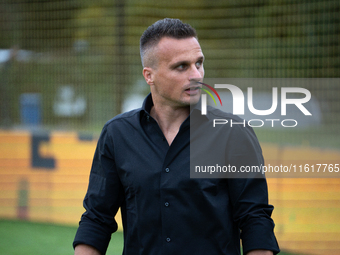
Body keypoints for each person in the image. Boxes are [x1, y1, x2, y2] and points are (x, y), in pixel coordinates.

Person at [73, 18, 280, 255]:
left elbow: (255, 221)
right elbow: (96, 219)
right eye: (181, 66)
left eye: (199, 63)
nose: (196, 75)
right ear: (149, 75)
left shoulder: (233, 133)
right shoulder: (117, 134)